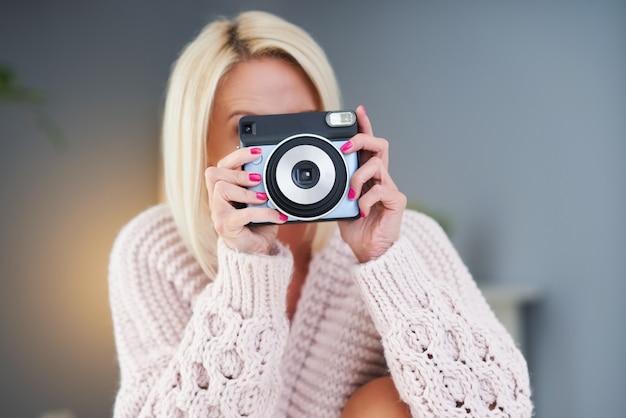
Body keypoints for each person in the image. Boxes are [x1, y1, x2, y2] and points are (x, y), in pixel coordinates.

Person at [108, 10, 533, 418]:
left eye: (300, 126)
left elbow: (501, 410)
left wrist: (385, 260)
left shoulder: (405, 238)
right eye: (251, 130)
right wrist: (246, 271)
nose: (286, 155)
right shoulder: (154, 250)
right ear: (199, 146)